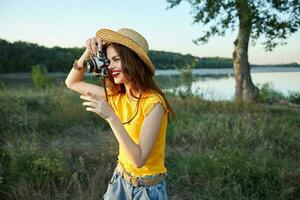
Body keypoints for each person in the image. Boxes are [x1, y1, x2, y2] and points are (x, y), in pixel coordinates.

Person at [65, 28, 174, 200]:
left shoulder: (154, 102)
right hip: (120, 180)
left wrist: (110, 117)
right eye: (108, 61)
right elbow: (71, 82)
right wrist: (89, 51)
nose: (111, 66)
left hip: (147, 190)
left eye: (116, 59)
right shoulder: (117, 95)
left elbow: (139, 159)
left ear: (133, 61)